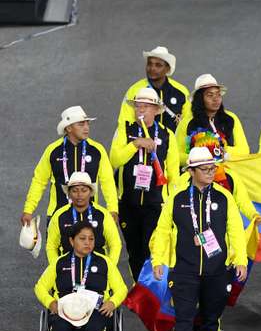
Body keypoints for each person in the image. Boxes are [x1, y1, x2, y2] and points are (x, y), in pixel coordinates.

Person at [150, 147, 248, 331]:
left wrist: (241, 259)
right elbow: (162, 230)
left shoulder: (224, 198)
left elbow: (235, 230)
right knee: (183, 319)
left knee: (211, 319)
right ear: (192, 171)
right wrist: (158, 260)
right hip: (184, 269)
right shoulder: (178, 198)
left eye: (213, 168)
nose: (211, 172)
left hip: (216, 270)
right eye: (205, 169)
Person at [34, 221, 127, 331]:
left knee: (96, 328)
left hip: (95, 310)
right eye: (82, 238)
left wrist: (112, 302)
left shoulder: (104, 262)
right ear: (71, 241)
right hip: (65, 311)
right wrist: (51, 302)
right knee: (59, 328)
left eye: (91, 239)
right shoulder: (59, 263)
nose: (87, 243)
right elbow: (40, 287)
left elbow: (121, 288)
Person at [110, 87, 180, 280]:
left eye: (146, 107)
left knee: (151, 247)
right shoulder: (125, 129)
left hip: (155, 203)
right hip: (128, 202)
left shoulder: (167, 135)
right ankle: (139, 284)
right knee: (134, 250)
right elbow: (114, 159)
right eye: (138, 106)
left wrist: (172, 204)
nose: (141, 110)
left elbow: (173, 174)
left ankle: (150, 287)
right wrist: (135, 144)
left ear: (156, 110)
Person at [22, 106, 118, 227]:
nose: (86, 128)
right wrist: (28, 209)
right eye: (81, 124)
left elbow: (107, 182)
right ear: (68, 128)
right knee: (53, 247)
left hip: (90, 216)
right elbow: (39, 181)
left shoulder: (97, 150)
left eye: (87, 124)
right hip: (57, 216)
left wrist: (113, 209)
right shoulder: (52, 150)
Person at [46, 172, 121, 266]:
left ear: (90, 192)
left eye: (84, 190)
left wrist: (109, 268)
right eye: (75, 190)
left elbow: (115, 244)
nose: (79, 194)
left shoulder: (102, 215)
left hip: (97, 270)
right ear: (69, 193)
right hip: (68, 270)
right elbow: (51, 246)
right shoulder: (59, 216)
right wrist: (57, 268)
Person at [175, 74, 250, 163]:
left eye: (218, 95)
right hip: (200, 174)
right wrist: (203, 158)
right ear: (200, 99)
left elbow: (245, 150)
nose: (216, 99)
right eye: (210, 95)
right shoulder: (187, 123)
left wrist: (223, 152)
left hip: (230, 171)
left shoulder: (231, 118)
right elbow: (177, 156)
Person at [116, 46, 189, 133]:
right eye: (149, 64)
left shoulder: (181, 91)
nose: (152, 68)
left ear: (167, 68)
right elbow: (124, 123)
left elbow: (188, 123)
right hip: (144, 144)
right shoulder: (135, 90)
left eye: (158, 65)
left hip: (174, 145)